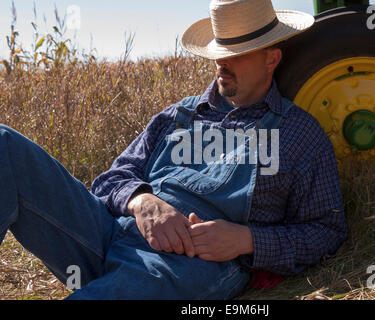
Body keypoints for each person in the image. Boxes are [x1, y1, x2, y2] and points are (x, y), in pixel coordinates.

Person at [0, 0, 347, 299]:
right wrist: (143, 202)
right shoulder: (179, 114)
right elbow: (111, 180)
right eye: (218, 53)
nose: (221, 64)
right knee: (3, 144)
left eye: (235, 55)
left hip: (190, 263)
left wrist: (247, 240)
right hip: (109, 232)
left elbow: (326, 231)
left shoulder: (298, 133)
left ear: (272, 59)